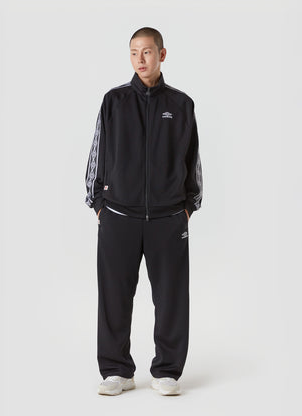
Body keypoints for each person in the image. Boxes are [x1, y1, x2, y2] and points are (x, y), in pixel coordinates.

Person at [84, 27, 203, 396]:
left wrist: (188, 207)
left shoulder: (181, 105)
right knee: (113, 298)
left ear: (161, 55)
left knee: (171, 298)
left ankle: (167, 371)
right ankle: (117, 371)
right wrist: (99, 205)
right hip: (118, 217)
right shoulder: (114, 101)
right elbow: (97, 154)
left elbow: (193, 161)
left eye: (147, 51)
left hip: (168, 219)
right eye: (134, 52)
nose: (140, 59)